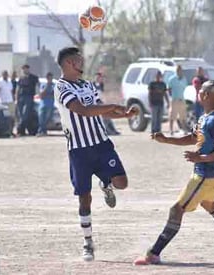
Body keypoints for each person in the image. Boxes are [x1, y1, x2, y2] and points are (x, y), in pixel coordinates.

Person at [134, 80, 214, 265]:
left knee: (177, 209)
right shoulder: (205, 117)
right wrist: (166, 140)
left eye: (201, 91)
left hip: (206, 174)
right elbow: (193, 138)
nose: (198, 93)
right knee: (208, 203)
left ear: (207, 95)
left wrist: (201, 158)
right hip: (208, 174)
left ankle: (154, 253)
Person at [54, 47, 138, 261]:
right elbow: (82, 110)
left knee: (122, 183)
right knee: (84, 198)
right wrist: (112, 106)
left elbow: (100, 108)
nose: (82, 63)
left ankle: (106, 184)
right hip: (79, 151)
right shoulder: (61, 87)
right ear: (69, 63)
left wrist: (124, 114)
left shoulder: (87, 85)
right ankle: (88, 242)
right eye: (79, 60)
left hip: (101, 145)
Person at [16, 64, 39, 136]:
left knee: (25, 114)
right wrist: (16, 99)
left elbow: (38, 87)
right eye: (23, 69)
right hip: (21, 97)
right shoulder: (21, 78)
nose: (25, 70)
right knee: (21, 115)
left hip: (29, 97)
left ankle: (19, 129)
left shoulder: (33, 77)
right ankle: (21, 131)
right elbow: (18, 89)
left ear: (28, 69)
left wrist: (37, 95)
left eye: (26, 69)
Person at [168, 65, 188, 135]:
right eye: (178, 70)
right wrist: (173, 97)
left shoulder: (184, 79)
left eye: (180, 70)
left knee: (183, 116)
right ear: (176, 70)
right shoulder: (172, 79)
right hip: (174, 99)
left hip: (181, 99)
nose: (179, 71)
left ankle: (184, 129)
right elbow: (169, 89)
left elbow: (185, 87)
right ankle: (171, 130)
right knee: (172, 115)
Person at [0, 70, 15, 136]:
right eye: (4, 74)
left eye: (6, 74)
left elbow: (11, 91)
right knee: (5, 117)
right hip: (3, 102)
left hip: (10, 101)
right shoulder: (0, 82)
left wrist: (13, 100)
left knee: (12, 117)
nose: (5, 75)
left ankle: (11, 131)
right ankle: (5, 132)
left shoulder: (9, 82)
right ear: (2, 75)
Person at [37, 72, 55, 136]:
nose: (50, 79)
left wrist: (50, 94)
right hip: (43, 104)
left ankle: (43, 131)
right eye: (48, 77)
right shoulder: (43, 84)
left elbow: (55, 95)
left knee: (47, 118)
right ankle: (41, 131)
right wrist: (47, 86)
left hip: (50, 104)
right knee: (41, 118)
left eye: (51, 77)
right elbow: (41, 94)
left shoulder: (54, 85)